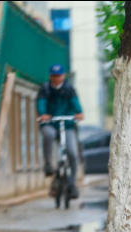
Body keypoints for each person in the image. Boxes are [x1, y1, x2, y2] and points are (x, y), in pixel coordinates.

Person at [37, 64, 83, 199]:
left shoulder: (69, 89)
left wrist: (79, 112)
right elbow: (41, 103)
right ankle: (47, 164)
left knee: (73, 154)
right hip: (50, 123)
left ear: (63, 76)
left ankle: (72, 185)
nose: (56, 79)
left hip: (67, 125)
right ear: (50, 76)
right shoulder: (45, 89)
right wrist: (43, 114)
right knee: (48, 134)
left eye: (59, 76)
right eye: (54, 76)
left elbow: (75, 102)